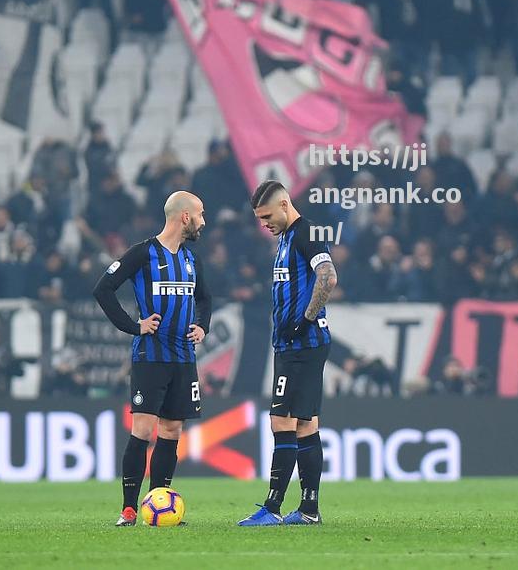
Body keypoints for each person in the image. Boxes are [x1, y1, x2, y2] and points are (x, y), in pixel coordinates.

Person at [92, 191, 210, 527]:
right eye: (200, 214)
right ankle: (129, 509)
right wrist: (134, 326)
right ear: (184, 216)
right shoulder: (143, 253)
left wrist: (203, 325)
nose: (204, 221)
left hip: (184, 357)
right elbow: (103, 289)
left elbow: (206, 299)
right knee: (142, 430)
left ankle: (160, 501)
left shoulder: (191, 259)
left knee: (172, 430)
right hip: (151, 357)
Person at [239, 180, 337, 526]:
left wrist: (305, 320)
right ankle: (309, 509)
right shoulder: (285, 241)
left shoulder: (306, 233)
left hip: (302, 345)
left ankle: (273, 507)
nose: (263, 223)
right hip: (293, 345)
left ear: (284, 205)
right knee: (306, 424)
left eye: (266, 216)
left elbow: (328, 276)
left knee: (281, 419)